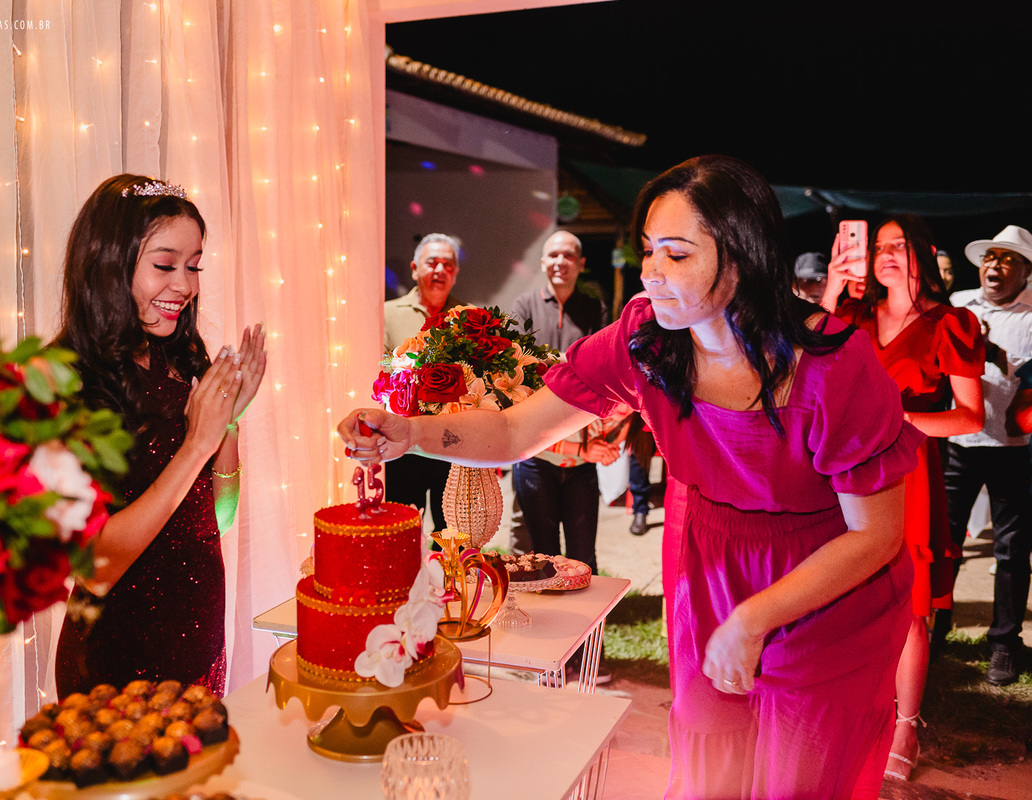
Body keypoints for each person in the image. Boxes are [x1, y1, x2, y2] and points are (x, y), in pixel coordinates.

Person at [340, 155, 920, 799]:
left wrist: (755, 618)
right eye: (648, 252)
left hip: (824, 584)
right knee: (711, 763)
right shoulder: (646, 341)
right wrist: (411, 433)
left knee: (802, 776)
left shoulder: (835, 366)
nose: (651, 274)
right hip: (711, 565)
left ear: (742, 257)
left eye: (676, 255)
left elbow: (876, 537)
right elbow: (512, 432)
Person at [53, 174, 267, 696]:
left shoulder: (178, 363)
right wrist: (196, 444)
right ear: (110, 264)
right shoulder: (67, 381)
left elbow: (221, 517)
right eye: (165, 265)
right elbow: (98, 568)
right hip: (118, 667)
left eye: (194, 266)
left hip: (199, 648)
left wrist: (228, 423)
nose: (187, 286)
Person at [821, 214, 984, 781]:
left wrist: (897, 418)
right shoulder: (851, 317)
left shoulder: (952, 324)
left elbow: (969, 416)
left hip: (909, 468)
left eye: (899, 245)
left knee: (909, 606)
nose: (886, 254)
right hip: (844, 470)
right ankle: (853, 709)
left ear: (923, 254)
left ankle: (906, 723)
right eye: (879, 246)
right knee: (842, 593)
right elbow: (808, 357)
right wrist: (834, 287)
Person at [940, 225, 1032, 687]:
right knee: (944, 541)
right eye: (990, 258)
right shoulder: (958, 303)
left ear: (1026, 272)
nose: (995, 266)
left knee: (1012, 550)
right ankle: (936, 630)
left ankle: (1004, 644)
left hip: (1014, 450)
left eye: (1008, 259)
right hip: (958, 442)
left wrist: (997, 356)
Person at [509, 231, 620, 573]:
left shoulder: (594, 309)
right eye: (553, 255)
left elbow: (603, 376)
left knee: (583, 556)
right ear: (543, 262)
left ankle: (589, 625)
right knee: (542, 553)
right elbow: (516, 375)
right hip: (536, 453)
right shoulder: (524, 307)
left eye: (569, 255)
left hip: (581, 451)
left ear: (581, 263)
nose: (560, 262)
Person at [382, 234, 467, 531]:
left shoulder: (467, 317)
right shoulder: (387, 313)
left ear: (455, 274)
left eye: (448, 264)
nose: (440, 269)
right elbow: (377, 365)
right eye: (432, 263)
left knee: (454, 536)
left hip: (453, 445)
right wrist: (401, 365)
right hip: (405, 445)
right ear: (415, 268)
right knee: (402, 534)